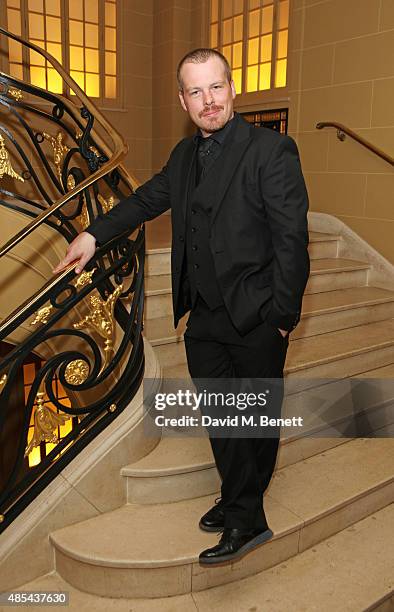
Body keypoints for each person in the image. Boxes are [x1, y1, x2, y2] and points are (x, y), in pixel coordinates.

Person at [54, 48, 310, 565]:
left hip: (258, 315)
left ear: (231, 89)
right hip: (205, 317)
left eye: (215, 87)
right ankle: (242, 496)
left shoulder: (271, 150)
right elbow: (145, 201)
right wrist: (93, 235)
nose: (208, 100)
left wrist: (282, 319)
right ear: (183, 100)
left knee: (255, 417)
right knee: (224, 416)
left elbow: (292, 242)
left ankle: (246, 518)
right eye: (196, 91)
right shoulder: (183, 157)